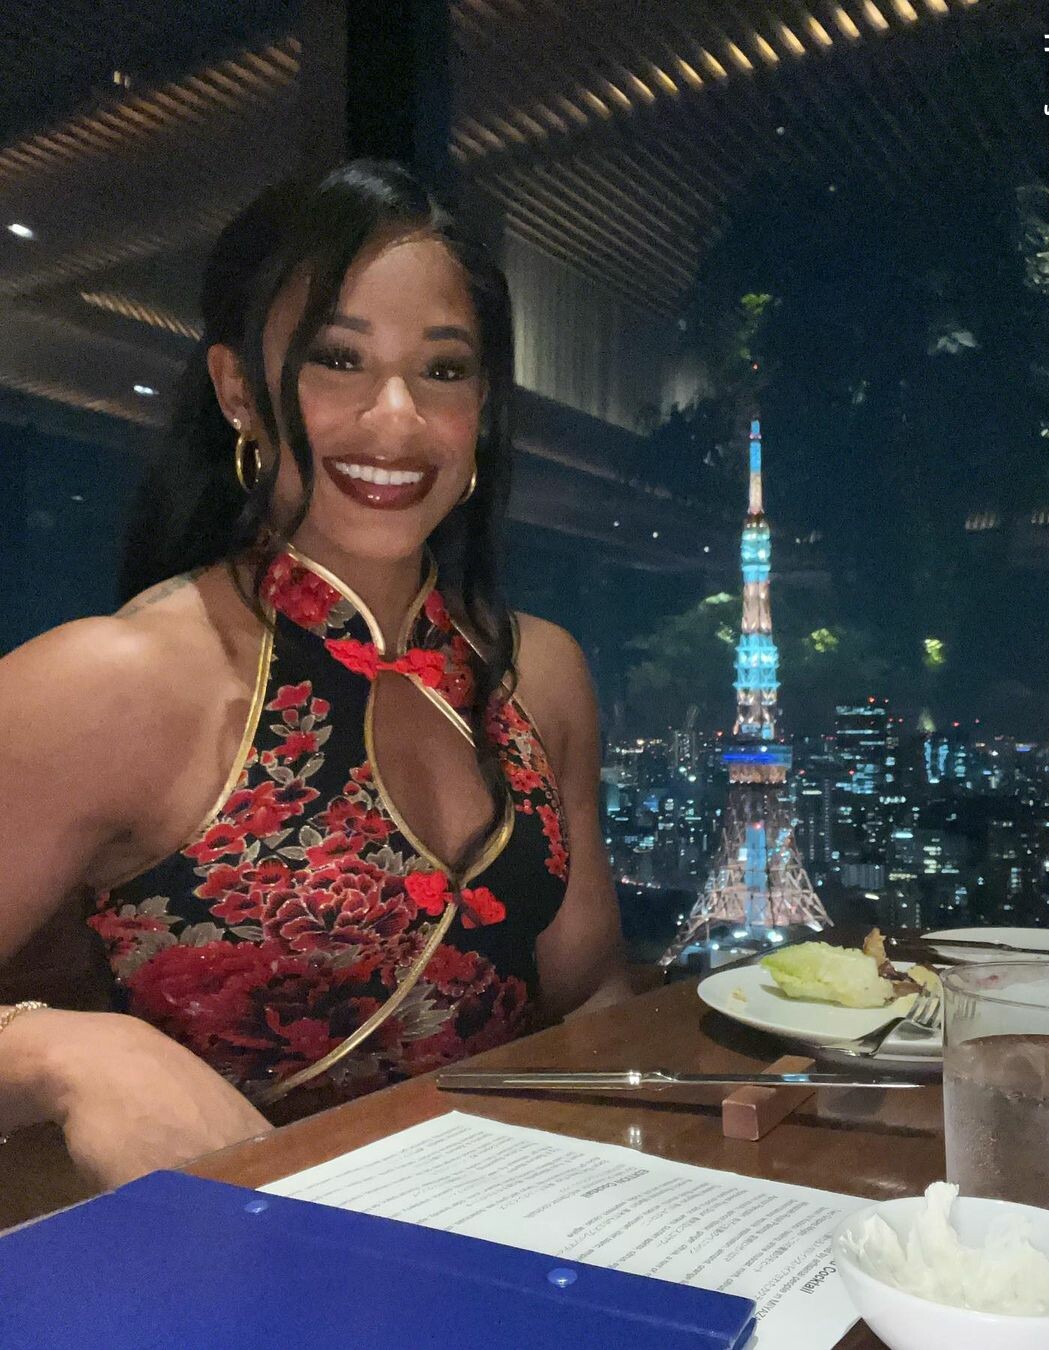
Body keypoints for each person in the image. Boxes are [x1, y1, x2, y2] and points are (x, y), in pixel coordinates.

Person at [0, 159, 631, 1189]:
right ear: (238, 391)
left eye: (444, 370)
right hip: (230, 1256)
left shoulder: (538, 675)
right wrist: (63, 1053)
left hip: (513, 1236)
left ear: (482, 408)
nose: (397, 420)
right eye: (338, 360)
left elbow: (591, 996)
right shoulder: (110, 683)